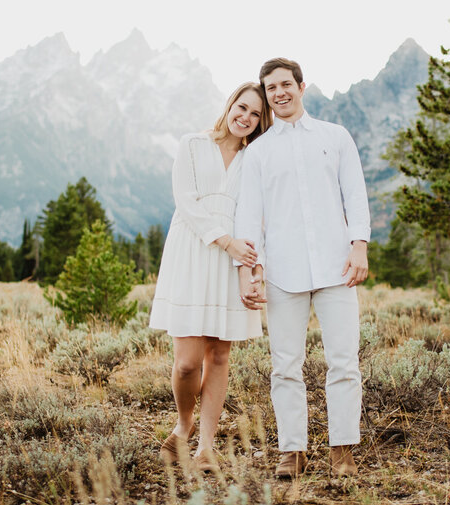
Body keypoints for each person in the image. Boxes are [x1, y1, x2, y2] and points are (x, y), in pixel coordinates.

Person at [235, 57, 370, 479]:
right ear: (267, 94)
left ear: (301, 86)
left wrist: (359, 247)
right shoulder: (257, 153)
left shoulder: (336, 137)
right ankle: (292, 452)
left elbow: (356, 195)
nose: (279, 93)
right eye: (271, 88)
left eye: (285, 84)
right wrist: (247, 271)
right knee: (285, 366)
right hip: (282, 273)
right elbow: (247, 217)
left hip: (337, 268)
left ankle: (342, 451)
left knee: (344, 362)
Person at [149, 83, 271, 473]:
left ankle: (205, 447)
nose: (246, 118)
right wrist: (226, 242)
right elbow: (185, 201)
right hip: (193, 252)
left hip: (232, 263)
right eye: (242, 107)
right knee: (187, 363)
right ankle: (182, 425)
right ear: (229, 104)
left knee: (219, 355)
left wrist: (251, 268)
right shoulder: (192, 144)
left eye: (255, 114)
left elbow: (257, 218)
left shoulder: (254, 160)